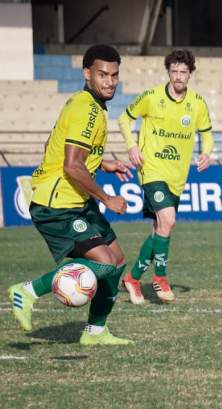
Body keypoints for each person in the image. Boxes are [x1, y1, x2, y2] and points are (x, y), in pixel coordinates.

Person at [7, 44, 134, 345]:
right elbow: (72, 165)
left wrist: (105, 163)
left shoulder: (87, 105)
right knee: (103, 264)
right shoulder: (85, 108)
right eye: (103, 74)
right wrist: (107, 198)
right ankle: (27, 290)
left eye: (115, 75)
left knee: (116, 262)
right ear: (87, 73)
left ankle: (96, 331)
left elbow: (57, 146)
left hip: (75, 200)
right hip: (57, 206)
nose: (110, 81)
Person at [118, 49, 213, 304]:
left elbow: (207, 133)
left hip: (177, 177)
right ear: (168, 72)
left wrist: (207, 152)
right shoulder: (151, 97)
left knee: (161, 229)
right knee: (168, 220)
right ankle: (160, 279)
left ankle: (133, 278)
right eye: (174, 71)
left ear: (190, 74)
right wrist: (131, 146)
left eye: (183, 72)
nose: (178, 76)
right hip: (152, 170)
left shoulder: (197, 103)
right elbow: (124, 120)